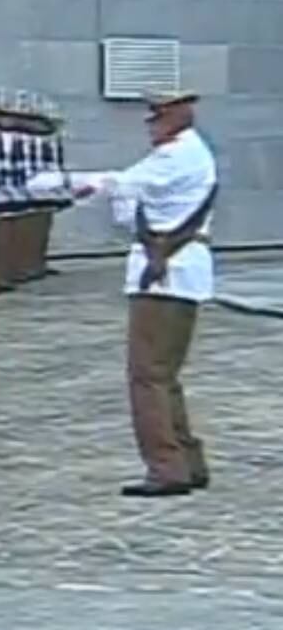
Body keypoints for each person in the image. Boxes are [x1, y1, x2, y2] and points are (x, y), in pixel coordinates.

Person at [76, 93, 216, 497]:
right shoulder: (184, 153)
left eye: (157, 119)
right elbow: (131, 203)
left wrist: (69, 183)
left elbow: (125, 183)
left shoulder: (176, 156)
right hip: (177, 271)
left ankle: (166, 467)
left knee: (147, 374)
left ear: (175, 118)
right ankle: (186, 460)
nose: (150, 126)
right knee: (163, 374)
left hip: (166, 274)